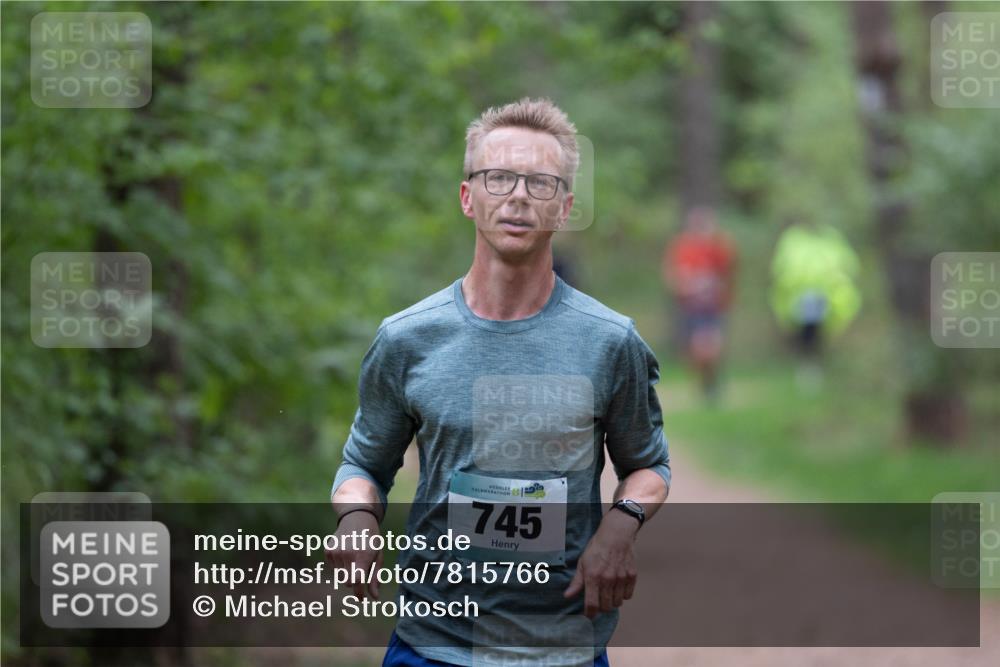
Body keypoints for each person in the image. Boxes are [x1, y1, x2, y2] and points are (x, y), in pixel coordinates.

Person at [328, 98, 671, 667]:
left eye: (540, 183)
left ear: (564, 207)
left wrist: (620, 528)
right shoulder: (406, 340)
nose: (517, 195)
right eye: (498, 178)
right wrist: (357, 520)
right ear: (468, 197)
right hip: (433, 644)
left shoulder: (610, 342)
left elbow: (647, 467)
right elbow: (362, 466)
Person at [769, 220, 861, 388]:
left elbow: (848, 265)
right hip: (802, 295)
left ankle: (812, 366)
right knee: (808, 332)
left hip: (825, 296)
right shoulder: (795, 240)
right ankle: (809, 366)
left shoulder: (829, 239)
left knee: (817, 332)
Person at [662, 207, 737, 402]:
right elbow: (672, 277)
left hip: (713, 306)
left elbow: (729, 272)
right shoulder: (682, 247)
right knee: (697, 350)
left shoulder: (718, 246)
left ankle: (712, 382)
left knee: (711, 346)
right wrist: (689, 286)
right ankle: (705, 382)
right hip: (691, 307)